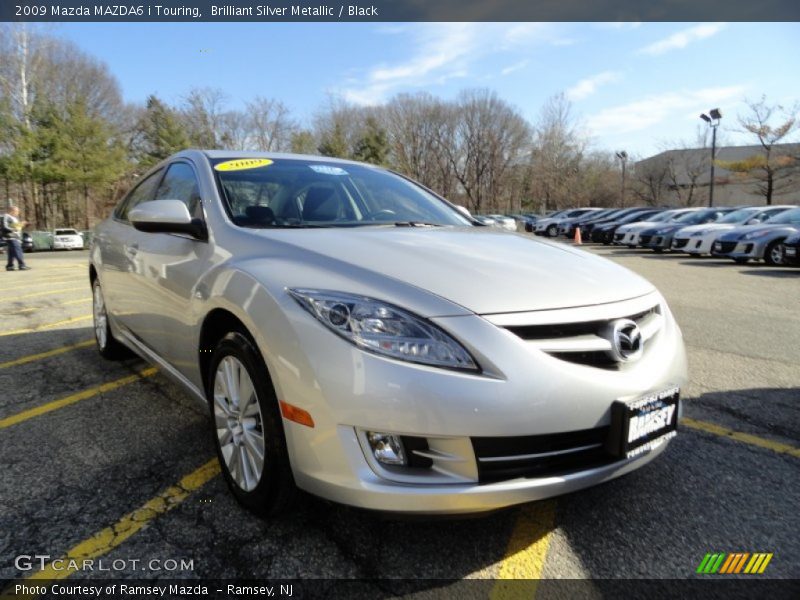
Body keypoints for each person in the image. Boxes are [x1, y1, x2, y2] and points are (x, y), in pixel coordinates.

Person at [2, 205, 31, 271]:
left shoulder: (14, 218)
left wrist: (23, 224)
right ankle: (22, 265)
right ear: (12, 211)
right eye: (17, 211)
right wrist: (17, 225)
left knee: (11, 252)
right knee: (18, 251)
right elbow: (5, 227)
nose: (18, 213)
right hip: (11, 237)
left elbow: (16, 227)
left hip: (16, 237)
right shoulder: (6, 216)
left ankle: (10, 266)